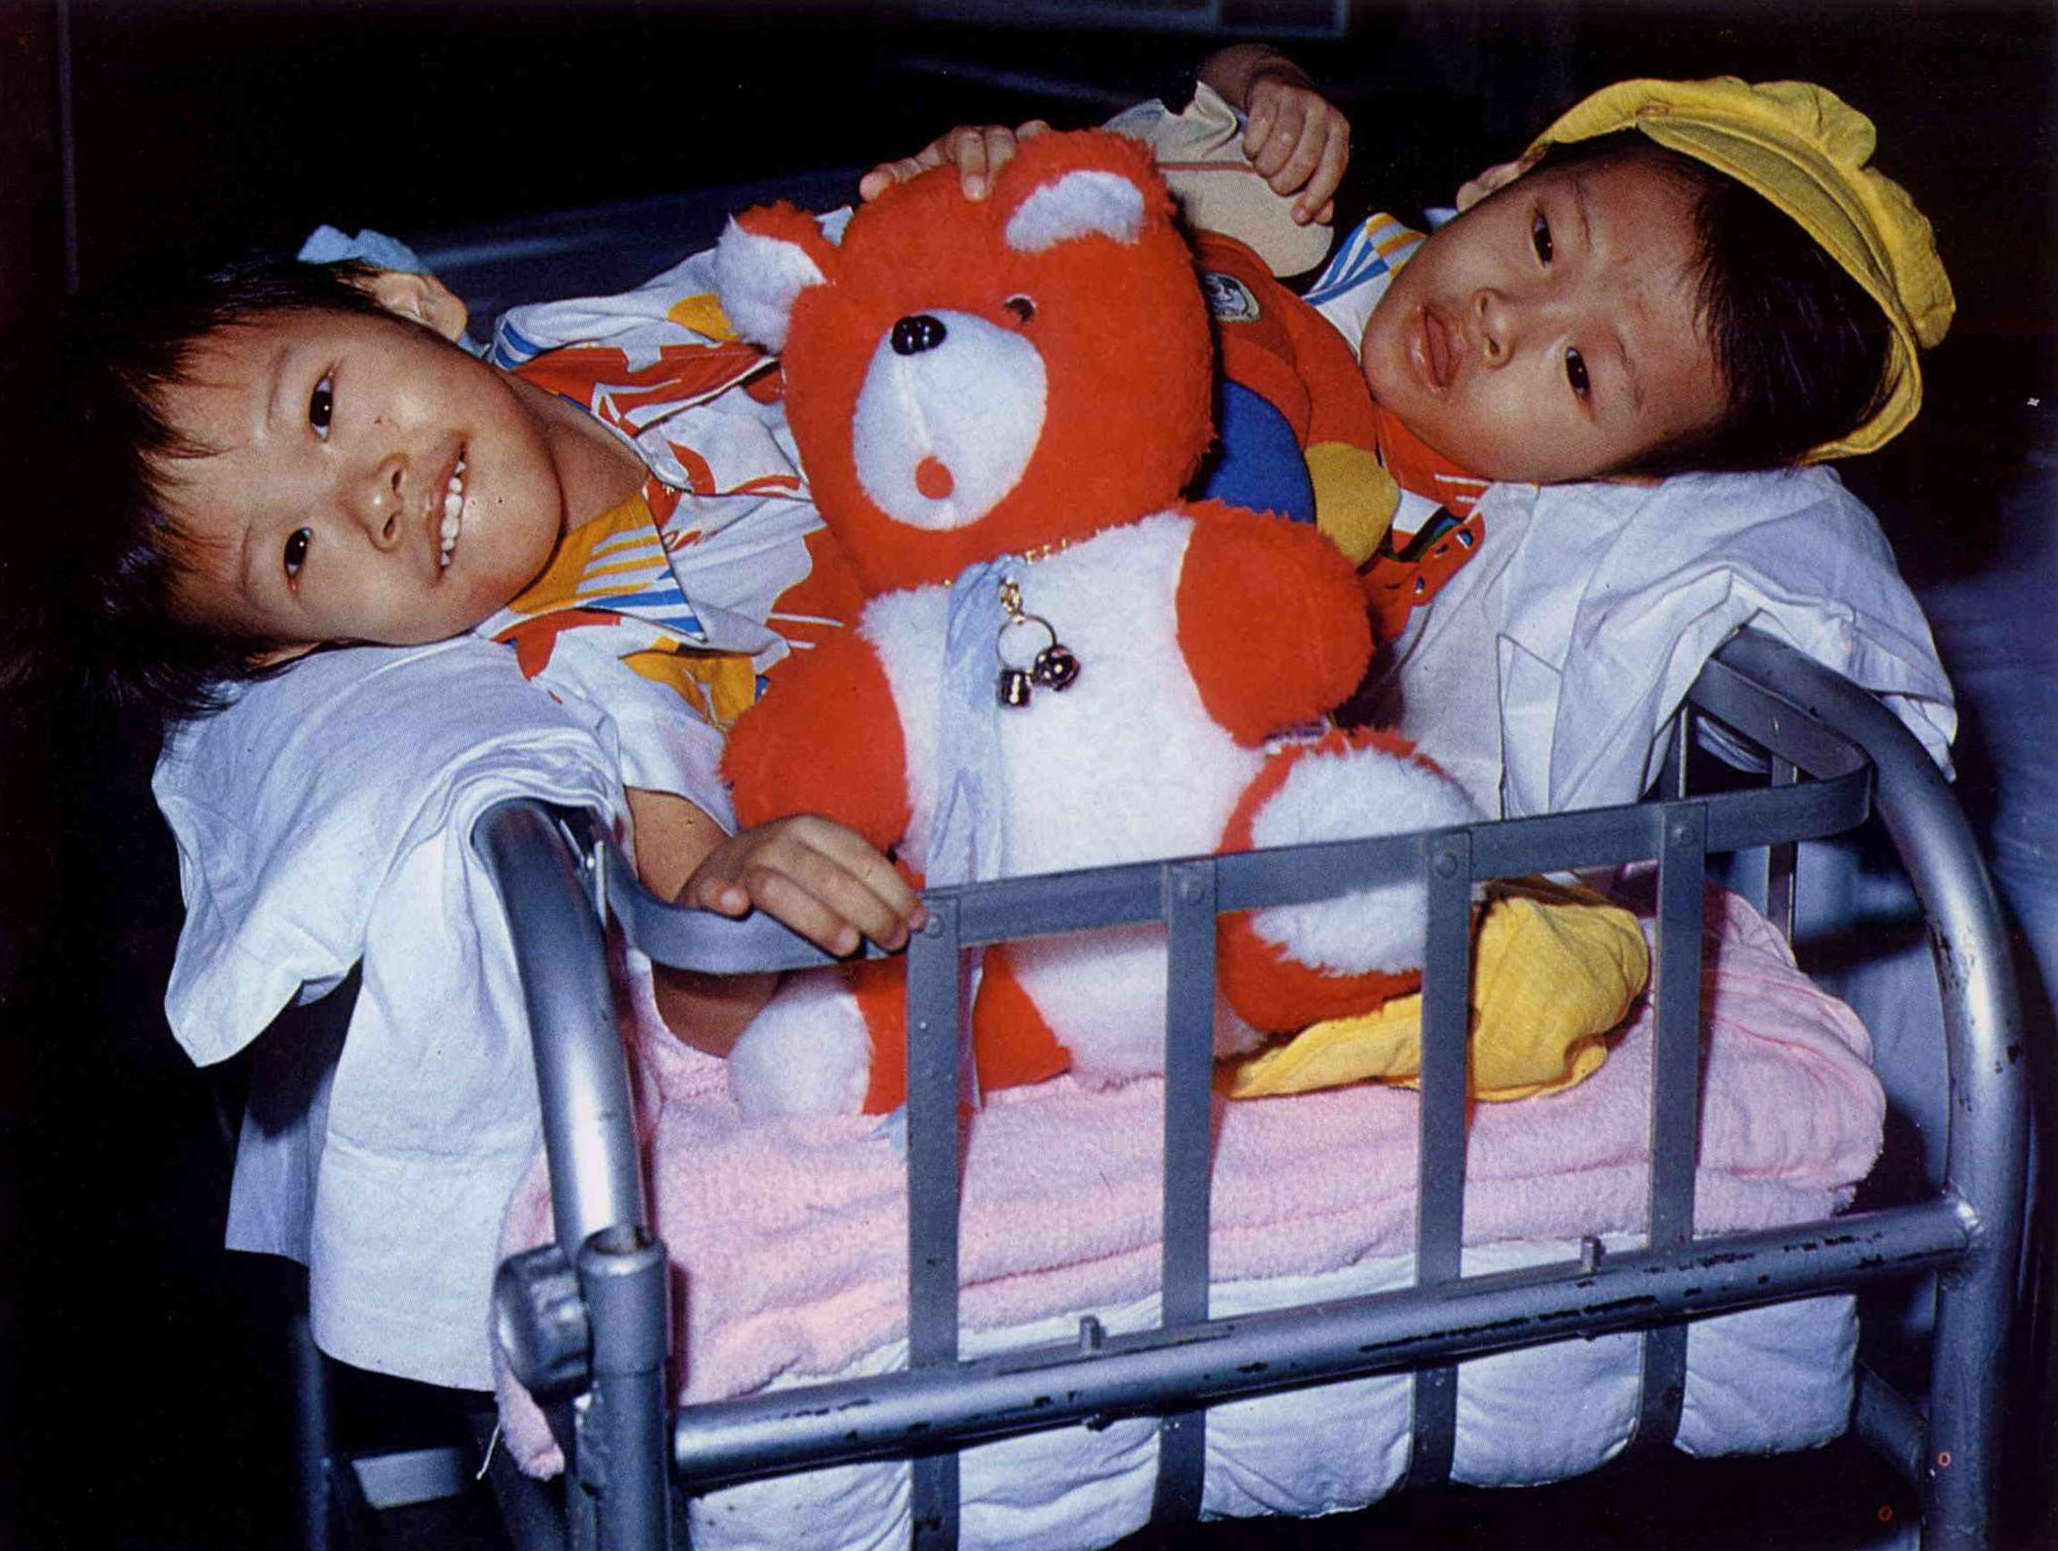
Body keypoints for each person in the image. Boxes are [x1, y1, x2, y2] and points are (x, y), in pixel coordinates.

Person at [864, 56, 1957, 814]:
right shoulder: (1301, 248)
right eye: (1542, 240)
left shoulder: (1487, 550)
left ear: (1628, 478)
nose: (1502, 320)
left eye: (1579, 372)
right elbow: (1171, 129)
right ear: (1504, 179)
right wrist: (1264, 90)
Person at [47, 251, 923, 1054]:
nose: (369, 499)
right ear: (294, 646)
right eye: (296, 550)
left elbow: (877, 259)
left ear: (407, 304)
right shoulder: (599, 664)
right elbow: (700, 960)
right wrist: (742, 891)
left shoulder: (590, 330)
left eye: (322, 407)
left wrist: (964, 183)